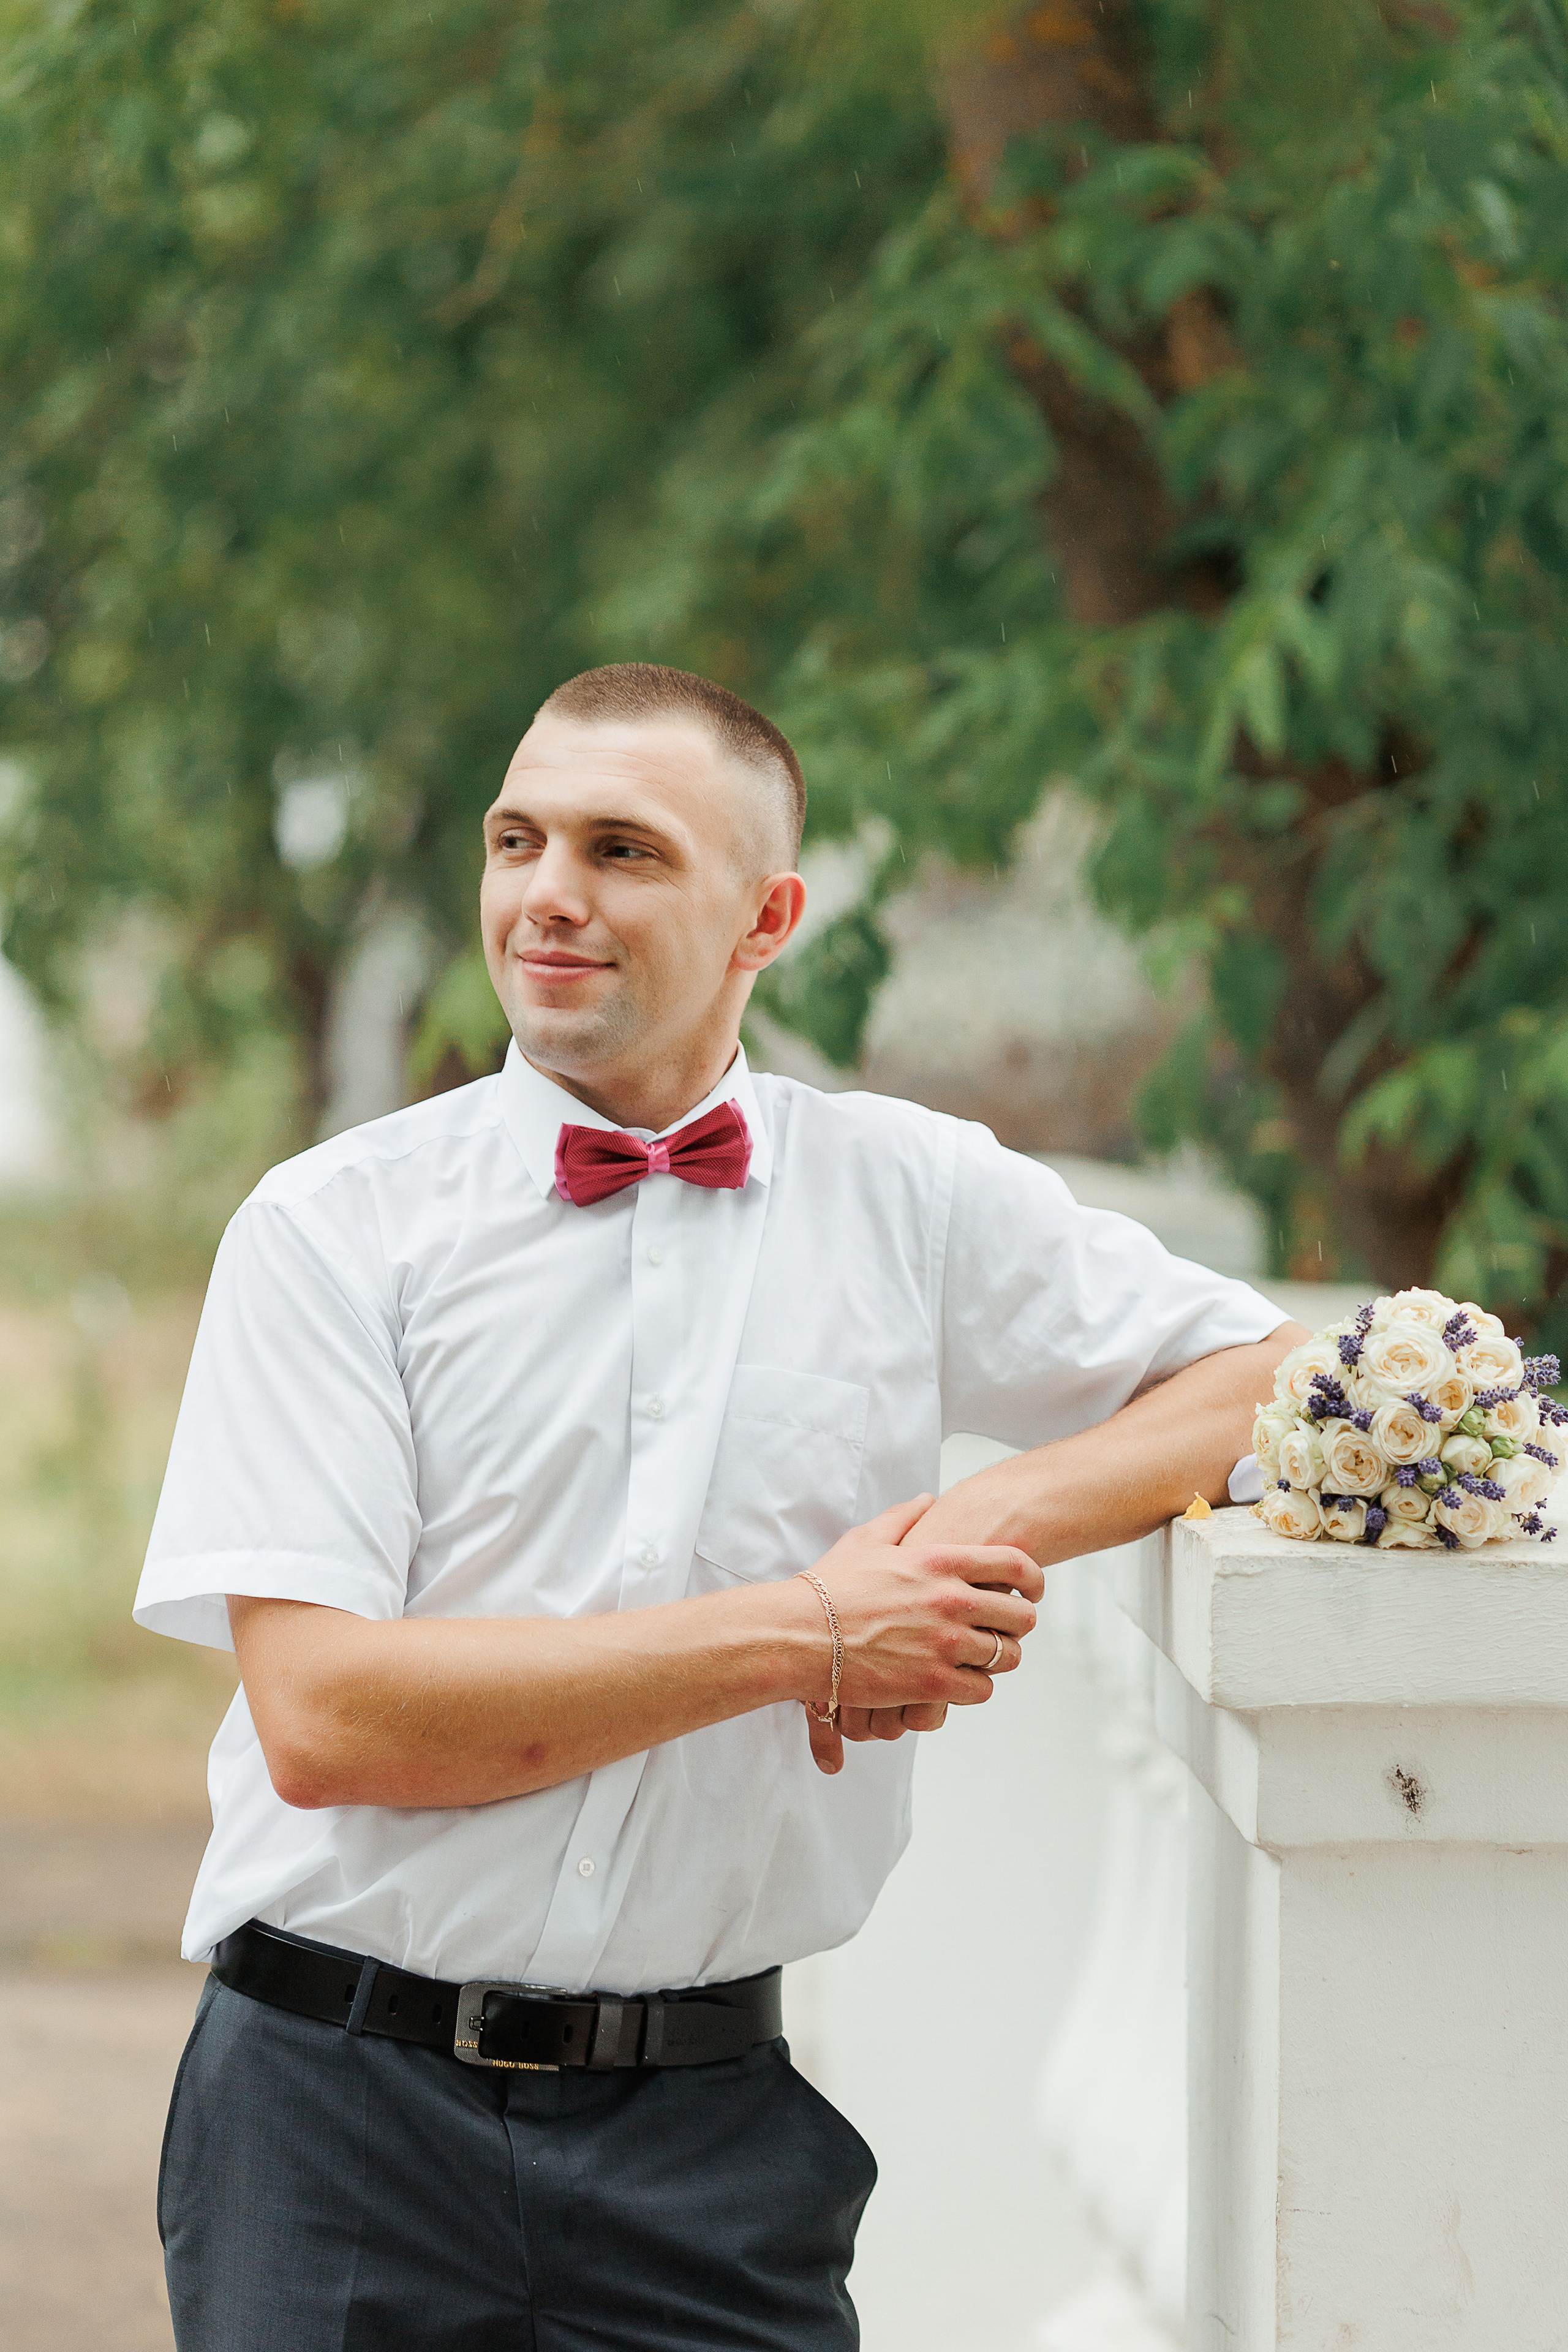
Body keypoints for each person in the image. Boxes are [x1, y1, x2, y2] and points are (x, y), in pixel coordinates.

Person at [137, 662, 1303, 2350]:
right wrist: (810, 1635)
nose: (547, 895)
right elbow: (325, 1717)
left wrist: (984, 1529)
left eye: (622, 851)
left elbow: (1269, 1374)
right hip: (334, 2129)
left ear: (767, 918)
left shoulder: (911, 1194)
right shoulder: (333, 1232)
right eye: (516, 839)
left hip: (715, 2138)